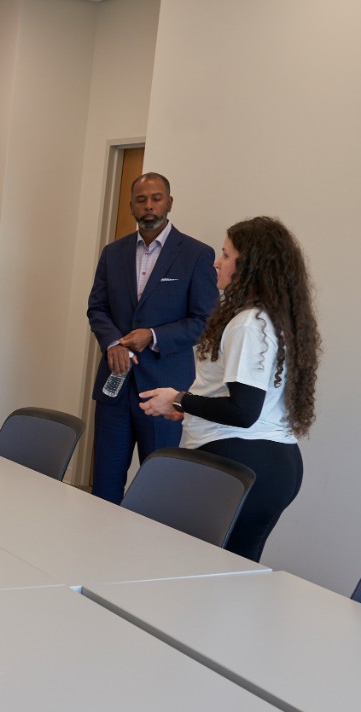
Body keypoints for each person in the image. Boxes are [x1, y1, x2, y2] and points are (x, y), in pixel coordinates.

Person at [139, 217, 320, 561]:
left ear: (249, 265)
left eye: (225, 255)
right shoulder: (273, 319)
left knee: (210, 573)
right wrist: (186, 407)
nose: (216, 263)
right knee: (232, 576)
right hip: (271, 463)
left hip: (240, 464)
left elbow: (243, 411)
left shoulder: (247, 325)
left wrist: (178, 397)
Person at [87, 172, 218, 503]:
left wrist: (154, 336)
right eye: (141, 199)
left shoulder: (195, 254)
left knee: (160, 485)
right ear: (131, 205)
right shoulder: (112, 253)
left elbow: (205, 321)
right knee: (103, 482)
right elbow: (97, 308)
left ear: (169, 202)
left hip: (165, 390)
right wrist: (113, 342)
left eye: (156, 198)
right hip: (114, 386)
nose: (149, 206)